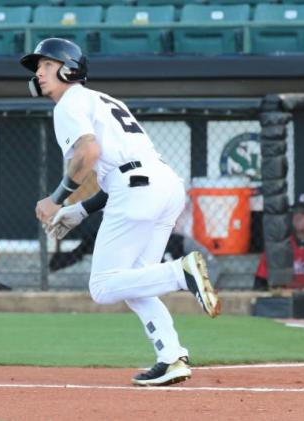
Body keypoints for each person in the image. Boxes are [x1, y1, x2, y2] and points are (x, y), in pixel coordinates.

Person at [20, 38, 221, 387]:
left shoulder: (68, 103)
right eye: (37, 67)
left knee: (102, 286)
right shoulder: (102, 99)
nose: (39, 72)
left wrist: (56, 199)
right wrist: (80, 210)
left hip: (136, 188)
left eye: (47, 65)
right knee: (137, 281)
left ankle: (180, 272)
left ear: (69, 68)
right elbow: (117, 172)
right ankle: (171, 357)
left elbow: (88, 153)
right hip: (162, 184)